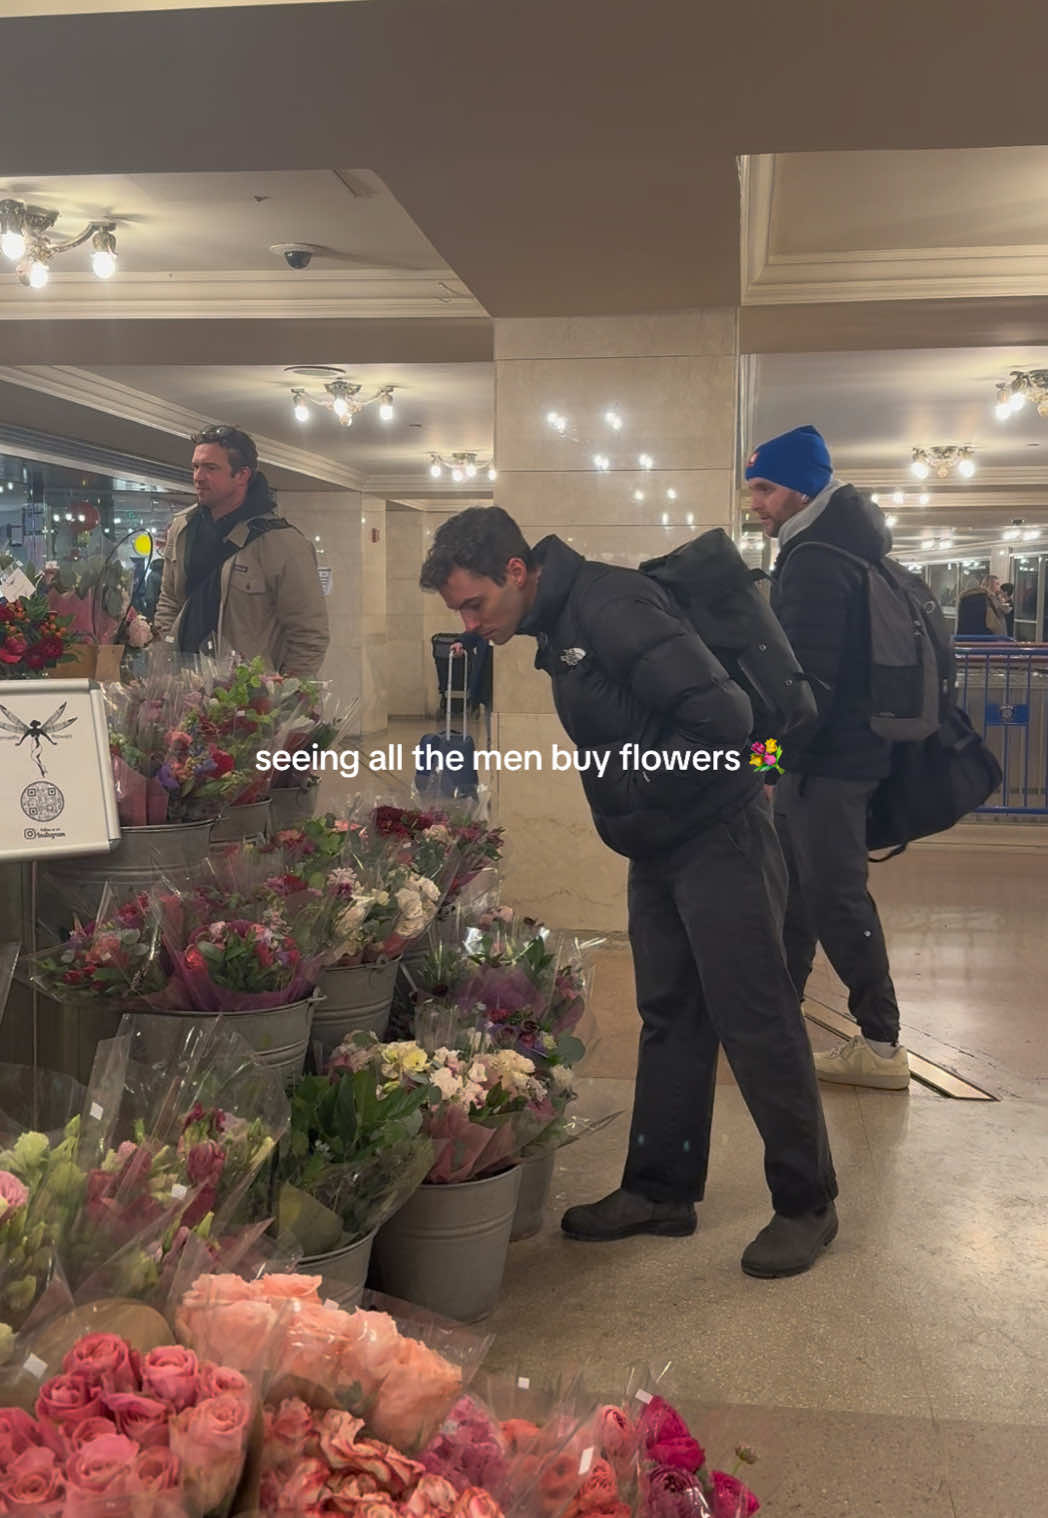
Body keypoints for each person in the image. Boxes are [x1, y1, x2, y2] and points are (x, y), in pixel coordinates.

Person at [419, 506, 838, 1279]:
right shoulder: (560, 620)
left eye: (474, 605)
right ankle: (660, 1191)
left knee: (755, 1015)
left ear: (516, 569)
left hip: (720, 836)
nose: (471, 627)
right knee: (671, 1016)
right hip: (663, 842)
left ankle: (807, 1202)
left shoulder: (608, 606)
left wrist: (638, 781)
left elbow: (724, 717)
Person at [746, 424, 910, 1091]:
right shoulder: (836, 545)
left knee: (835, 896)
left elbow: (800, 692)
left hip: (827, 762)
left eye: (766, 487)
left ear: (804, 489)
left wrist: (764, 764)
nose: (755, 501)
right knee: (801, 895)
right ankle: (776, 1016)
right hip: (834, 758)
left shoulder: (815, 559)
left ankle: (879, 1042)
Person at [153, 424, 329, 676]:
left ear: (242, 475)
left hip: (247, 700)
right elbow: (170, 601)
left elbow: (310, 635)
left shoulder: (283, 543)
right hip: (184, 691)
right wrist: (162, 668)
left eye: (211, 468)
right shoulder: (182, 527)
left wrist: (283, 698)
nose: (198, 477)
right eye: (195, 467)